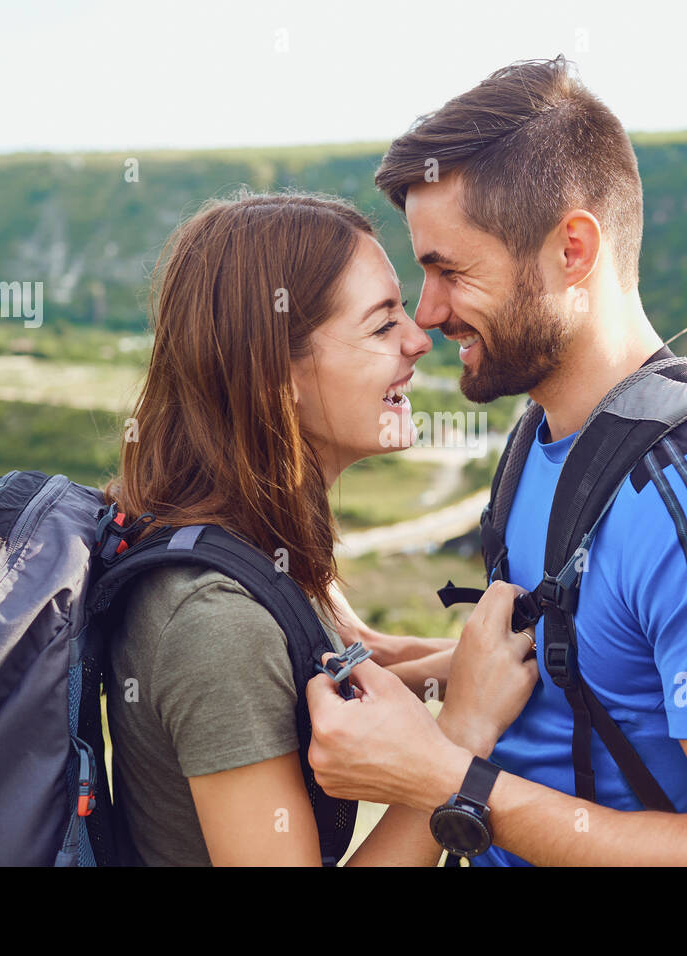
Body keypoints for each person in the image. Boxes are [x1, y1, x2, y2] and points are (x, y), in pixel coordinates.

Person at [306, 57, 687, 865]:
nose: (429, 314)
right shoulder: (544, 438)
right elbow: (578, 666)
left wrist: (446, 777)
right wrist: (392, 659)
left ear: (573, 251)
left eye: (450, 270)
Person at [100, 191, 539, 865]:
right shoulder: (216, 621)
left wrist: (508, 665)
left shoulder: (261, 550)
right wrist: (463, 733)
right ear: (278, 374)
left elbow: (362, 655)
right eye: (380, 325)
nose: (420, 339)